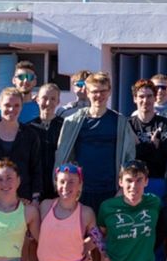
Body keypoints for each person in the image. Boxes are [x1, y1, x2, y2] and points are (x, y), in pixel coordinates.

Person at [56, 72, 136, 214]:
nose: (99, 95)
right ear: (87, 92)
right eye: (94, 91)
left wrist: (124, 188)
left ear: (109, 91)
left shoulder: (120, 122)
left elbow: (129, 157)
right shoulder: (73, 122)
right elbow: (62, 156)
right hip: (81, 191)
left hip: (111, 190)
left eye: (103, 91)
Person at [0, 88, 44, 202]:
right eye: (7, 105)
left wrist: (35, 198)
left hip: (23, 200)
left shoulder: (30, 136)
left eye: (16, 105)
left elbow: (36, 169)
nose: (11, 109)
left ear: (21, 107)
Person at [128, 79, 167, 198]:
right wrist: (152, 146)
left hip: (158, 182)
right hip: (133, 183)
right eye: (141, 96)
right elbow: (129, 156)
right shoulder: (127, 125)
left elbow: (161, 158)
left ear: (155, 98)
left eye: (149, 96)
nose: (145, 100)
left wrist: (139, 146)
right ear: (135, 99)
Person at [29, 82, 64, 201]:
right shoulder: (29, 128)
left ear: (58, 101)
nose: (48, 103)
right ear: (37, 100)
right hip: (34, 188)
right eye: (44, 98)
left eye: (53, 99)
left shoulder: (64, 126)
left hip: (58, 187)